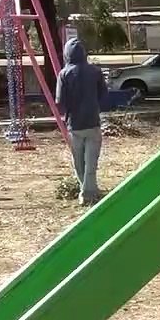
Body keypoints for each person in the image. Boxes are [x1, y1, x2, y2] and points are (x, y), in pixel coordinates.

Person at [55, 36, 107, 206]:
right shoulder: (96, 72)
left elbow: (60, 101)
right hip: (93, 121)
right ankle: (89, 192)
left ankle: (85, 191)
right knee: (91, 161)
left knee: (79, 161)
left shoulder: (64, 74)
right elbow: (103, 95)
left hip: (75, 124)